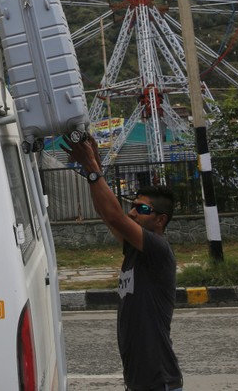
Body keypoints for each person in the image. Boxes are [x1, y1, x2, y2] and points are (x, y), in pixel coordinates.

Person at [63, 133, 183, 391]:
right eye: (133, 206)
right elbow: (106, 214)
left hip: (158, 382)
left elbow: (115, 217)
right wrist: (93, 166)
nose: (133, 212)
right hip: (139, 381)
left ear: (160, 220)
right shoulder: (135, 250)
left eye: (142, 209)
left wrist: (93, 169)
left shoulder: (157, 248)